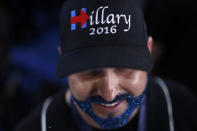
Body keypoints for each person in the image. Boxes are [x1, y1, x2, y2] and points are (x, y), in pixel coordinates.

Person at [15, 0, 197, 131]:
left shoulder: (181, 107)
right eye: (89, 71)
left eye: (125, 67)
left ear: (148, 52)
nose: (109, 93)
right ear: (63, 59)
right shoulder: (36, 126)